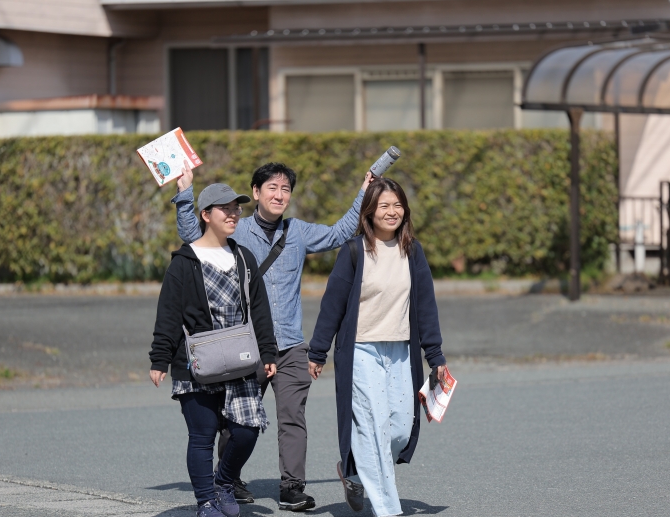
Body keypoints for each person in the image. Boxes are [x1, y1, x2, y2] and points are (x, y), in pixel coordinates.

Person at [173, 161, 373, 511]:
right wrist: (184, 192)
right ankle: (229, 479)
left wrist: (364, 193)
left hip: (291, 344)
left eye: (285, 189)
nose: (279, 195)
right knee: (237, 417)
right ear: (256, 193)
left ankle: (292, 487)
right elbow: (192, 235)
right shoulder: (236, 229)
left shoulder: (298, 231)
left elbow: (340, 233)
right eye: (272, 188)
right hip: (246, 343)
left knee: (293, 416)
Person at [307, 177, 447, 517]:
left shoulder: (412, 251)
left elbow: (426, 306)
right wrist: (318, 350)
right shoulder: (354, 251)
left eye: (397, 205)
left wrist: (435, 356)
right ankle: (387, 509)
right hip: (361, 352)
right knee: (373, 429)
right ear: (369, 211)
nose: (391, 211)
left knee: (400, 428)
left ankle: (355, 474)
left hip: (400, 352)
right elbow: (333, 303)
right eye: (384, 205)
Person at [149, 183, 279, 517]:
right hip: (196, 361)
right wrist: (159, 359)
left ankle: (223, 483)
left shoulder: (244, 257)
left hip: (240, 359)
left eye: (237, 208)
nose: (233, 214)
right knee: (202, 436)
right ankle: (206, 501)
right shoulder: (184, 262)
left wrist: (268, 353)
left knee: (247, 429)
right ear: (206, 215)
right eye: (226, 208)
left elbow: (260, 309)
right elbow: (169, 313)